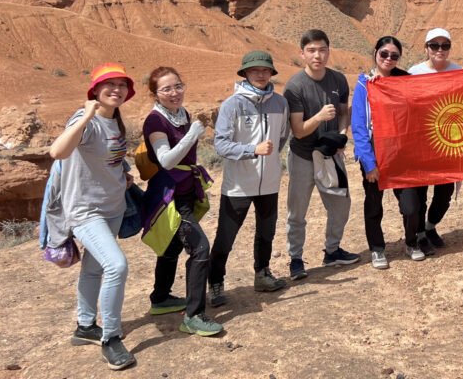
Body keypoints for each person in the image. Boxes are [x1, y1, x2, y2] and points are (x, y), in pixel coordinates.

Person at [49, 64, 136, 370]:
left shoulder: (116, 123)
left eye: (121, 85)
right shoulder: (85, 121)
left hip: (113, 208)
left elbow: (111, 159)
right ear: (95, 90)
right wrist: (85, 115)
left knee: (94, 269)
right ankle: (111, 339)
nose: (116, 89)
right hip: (86, 212)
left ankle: (85, 326)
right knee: (116, 266)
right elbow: (57, 152)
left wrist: (122, 176)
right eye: (109, 84)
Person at [141, 67, 223, 336]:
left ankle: (161, 297)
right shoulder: (155, 121)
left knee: (172, 246)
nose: (174, 92)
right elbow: (166, 159)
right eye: (166, 89)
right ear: (155, 94)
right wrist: (193, 133)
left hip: (186, 189)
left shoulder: (181, 115)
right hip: (170, 197)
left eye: (178, 86)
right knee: (200, 249)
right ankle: (194, 315)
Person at [209, 51, 291, 306]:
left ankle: (262, 274)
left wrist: (270, 158)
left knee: (266, 232)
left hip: (269, 182)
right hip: (238, 185)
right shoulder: (232, 105)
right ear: (244, 73)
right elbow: (220, 145)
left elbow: (282, 136)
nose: (260, 73)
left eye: (265, 70)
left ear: (271, 73)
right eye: (254, 70)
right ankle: (215, 283)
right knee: (226, 236)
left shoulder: (280, 103)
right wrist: (251, 151)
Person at [284, 29, 359, 280]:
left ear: (329, 50)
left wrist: (340, 135)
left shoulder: (338, 79)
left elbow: (342, 112)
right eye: (312, 50)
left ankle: (333, 251)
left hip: (330, 155)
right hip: (303, 156)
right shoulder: (295, 87)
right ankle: (296, 259)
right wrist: (318, 117)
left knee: (341, 205)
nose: (318, 55)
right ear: (302, 53)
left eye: (322, 49)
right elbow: (298, 130)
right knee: (298, 211)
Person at [352, 36, 430, 267]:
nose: (388, 59)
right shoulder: (365, 83)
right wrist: (368, 162)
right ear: (375, 52)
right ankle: (377, 249)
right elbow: (358, 125)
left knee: (411, 205)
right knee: (374, 203)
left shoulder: (406, 80)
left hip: (402, 152)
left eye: (394, 56)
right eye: (384, 53)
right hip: (375, 151)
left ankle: (411, 241)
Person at [407, 28, 462, 250]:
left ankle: (431, 226)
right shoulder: (414, 72)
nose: (440, 50)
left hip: (450, 141)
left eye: (445, 45)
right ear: (426, 48)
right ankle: (419, 233)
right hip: (421, 141)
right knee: (420, 190)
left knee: (445, 191)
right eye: (434, 45)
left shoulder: (459, 72)